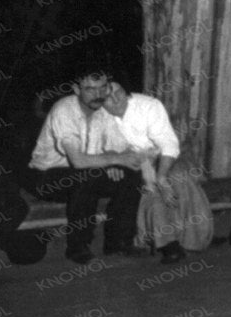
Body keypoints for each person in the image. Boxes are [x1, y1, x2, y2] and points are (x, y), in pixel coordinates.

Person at [25, 64, 149, 264]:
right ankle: (77, 248)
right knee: (86, 177)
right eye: (90, 89)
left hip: (89, 171)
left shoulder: (104, 111)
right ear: (76, 90)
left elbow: (123, 149)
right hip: (45, 176)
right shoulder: (64, 109)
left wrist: (112, 159)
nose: (98, 95)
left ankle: (119, 243)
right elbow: (78, 160)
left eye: (102, 88)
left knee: (131, 175)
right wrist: (113, 160)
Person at [102, 83, 211, 264]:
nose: (115, 100)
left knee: (178, 176)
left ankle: (192, 239)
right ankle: (168, 244)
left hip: (164, 155)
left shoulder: (149, 105)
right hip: (130, 162)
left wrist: (161, 177)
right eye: (107, 97)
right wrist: (111, 161)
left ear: (127, 93)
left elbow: (169, 144)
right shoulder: (99, 115)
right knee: (148, 190)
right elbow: (99, 147)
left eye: (119, 92)